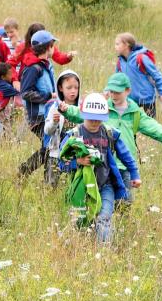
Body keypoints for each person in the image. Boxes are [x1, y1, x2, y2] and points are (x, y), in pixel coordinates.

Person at [59, 72, 162, 200]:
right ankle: (101, 219)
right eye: (111, 91)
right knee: (99, 198)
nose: (113, 95)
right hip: (105, 164)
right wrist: (66, 109)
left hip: (123, 165)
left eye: (117, 92)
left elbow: (155, 129)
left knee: (124, 201)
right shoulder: (103, 109)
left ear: (127, 91)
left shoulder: (135, 113)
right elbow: (80, 113)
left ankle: (119, 219)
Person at [59, 93, 140, 244]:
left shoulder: (110, 133)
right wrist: (78, 162)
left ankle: (104, 253)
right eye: (91, 118)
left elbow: (126, 155)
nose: (95, 122)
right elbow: (61, 163)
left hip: (105, 185)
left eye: (99, 118)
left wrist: (135, 174)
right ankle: (83, 248)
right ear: (83, 114)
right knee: (82, 223)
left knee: (104, 218)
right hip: (82, 188)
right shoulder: (73, 135)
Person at [18, 30, 57, 178]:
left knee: (50, 146)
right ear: (48, 47)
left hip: (48, 113)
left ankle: (46, 179)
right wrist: (48, 96)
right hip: (38, 116)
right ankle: (25, 171)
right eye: (53, 46)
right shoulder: (33, 68)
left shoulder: (45, 65)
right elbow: (26, 93)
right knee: (49, 146)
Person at [114, 32, 162, 118]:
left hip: (147, 98)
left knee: (151, 126)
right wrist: (108, 92)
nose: (115, 47)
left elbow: (157, 75)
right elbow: (115, 80)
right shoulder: (120, 61)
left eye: (117, 44)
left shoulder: (141, 58)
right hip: (130, 99)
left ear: (126, 45)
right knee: (130, 126)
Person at [43, 70, 80, 187]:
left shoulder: (81, 108)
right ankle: (50, 202)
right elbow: (47, 130)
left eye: (76, 87)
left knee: (72, 183)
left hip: (75, 153)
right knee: (51, 183)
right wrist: (54, 122)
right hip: (56, 152)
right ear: (60, 88)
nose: (73, 91)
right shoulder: (55, 107)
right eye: (69, 88)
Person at [8, 22, 77, 83]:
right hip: (26, 81)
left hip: (43, 79)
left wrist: (68, 56)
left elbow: (59, 57)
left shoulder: (48, 46)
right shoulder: (23, 47)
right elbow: (9, 64)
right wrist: (15, 80)